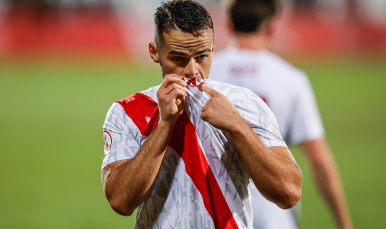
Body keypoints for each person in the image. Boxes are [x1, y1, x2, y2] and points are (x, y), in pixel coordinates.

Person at [100, 0, 302, 228]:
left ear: (213, 47)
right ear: (154, 52)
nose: (192, 70)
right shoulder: (128, 112)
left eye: (202, 56)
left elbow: (289, 192)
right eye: (178, 58)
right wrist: (165, 123)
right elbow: (120, 201)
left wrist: (237, 126)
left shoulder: (244, 103)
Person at [210, 0, 353, 228]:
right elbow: (318, 160)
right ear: (272, 27)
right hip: (274, 212)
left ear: (228, 25)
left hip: (214, 211)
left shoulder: (205, 73)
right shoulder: (291, 79)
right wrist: (344, 223)